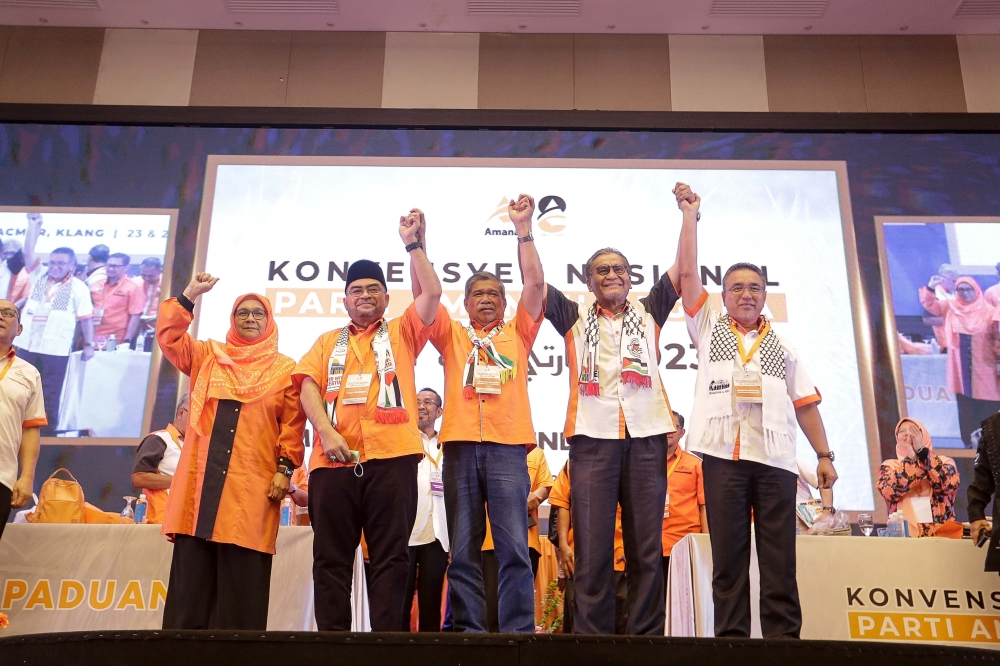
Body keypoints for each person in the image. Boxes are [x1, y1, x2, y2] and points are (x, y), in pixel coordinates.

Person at [675, 181, 838, 639]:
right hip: (722, 459)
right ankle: (732, 647)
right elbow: (688, 275)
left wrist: (824, 456)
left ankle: (783, 647)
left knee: (779, 563)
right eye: (736, 288)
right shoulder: (706, 325)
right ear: (723, 296)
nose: (746, 294)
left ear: (765, 295)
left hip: (775, 462)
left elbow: (805, 404)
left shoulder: (783, 345)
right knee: (727, 563)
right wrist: (689, 217)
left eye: (755, 288)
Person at [294, 210, 442, 632]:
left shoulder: (403, 332)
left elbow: (431, 292)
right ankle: (334, 645)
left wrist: (414, 245)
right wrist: (326, 432)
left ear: (386, 299)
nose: (364, 295)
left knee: (392, 557)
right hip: (332, 463)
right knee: (330, 559)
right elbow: (308, 388)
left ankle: (385, 646)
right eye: (356, 290)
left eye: (373, 289)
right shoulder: (326, 342)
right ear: (344, 300)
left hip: (392, 460)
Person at [416, 195, 545, 634]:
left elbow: (535, 284)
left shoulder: (518, 332)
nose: (486, 300)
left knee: (513, 547)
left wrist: (523, 228)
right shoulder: (451, 335)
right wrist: (418, 245)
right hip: (460, 449)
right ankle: (469, 631)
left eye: (494, 294)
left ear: (505, 303)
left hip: (509, 450)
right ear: (466, 302)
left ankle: (517, 633)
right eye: (478, 294)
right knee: (465, 548)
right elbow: (424, 297)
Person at [542, 233, 680, 635]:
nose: (611, 274)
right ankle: (592, 643)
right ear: (588, 282)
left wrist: (689, 217)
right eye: (601, 270)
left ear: (631, 277)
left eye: (619, 268)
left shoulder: (650, 310)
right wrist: (524, 231)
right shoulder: (573, 317)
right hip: (593, 439)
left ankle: (646, 642)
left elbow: (684, 270)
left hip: (646, 437)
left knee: (646, 550)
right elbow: (534, 284)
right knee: (592, 549)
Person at [156, 274, 306, 630]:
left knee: (241, 595)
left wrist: (285, 471)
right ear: (232, 320)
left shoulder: (286, 369)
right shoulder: (208, 356)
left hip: (250, 491)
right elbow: (170, 337)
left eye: (258, 313)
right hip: (200, 490)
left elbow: (293, 426)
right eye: (242, 313)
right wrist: (189, 295)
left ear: (269, 322)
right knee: (190, 600)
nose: (250, 319)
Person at [14, 238, 95, 437]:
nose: (55, 267)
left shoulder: (79, 288)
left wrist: (89, 344)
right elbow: (27, 252)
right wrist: (33, 225)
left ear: (72, 265)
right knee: (19, 390)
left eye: (61, 263)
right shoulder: (39, 277)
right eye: (53, 262)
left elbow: (86, 319)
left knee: (49, 395)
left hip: (55, 350)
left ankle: (46, 436)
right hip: (26, 345)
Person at [919, 276, 1000, 448]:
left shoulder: (990, 311)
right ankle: (970, 445)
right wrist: (931, 287)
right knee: (966, 409)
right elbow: (930, 305)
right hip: (960, 370)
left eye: (968, 289)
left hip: (985, 368)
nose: (965, 293)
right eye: (960, 290)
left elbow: (998, 339)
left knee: (989, 406)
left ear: (976, 290)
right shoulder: (951, 307)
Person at [549, 461, 627, 635]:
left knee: (621, 623)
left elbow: (638, 508)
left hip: (618, 556)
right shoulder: (573, 463)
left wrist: (632, 546)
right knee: (580, 624)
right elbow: (562, 503)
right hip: (578, 557)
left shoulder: (625, 460)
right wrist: (563, 545)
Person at [482, 442, 553, 632]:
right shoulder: (485, 451)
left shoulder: (536, 453)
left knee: (520, 604)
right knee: (491, 607)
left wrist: (530, 498)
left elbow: (546, 486)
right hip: (489, 543)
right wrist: (511, 495)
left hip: (527, 541)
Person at [402, 387, 449, 632]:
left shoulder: (448, 445)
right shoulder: (403, 440)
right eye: (417, 401)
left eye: (428, 402)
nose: (421, 405)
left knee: (431, 605)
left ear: (439, 411)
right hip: (406, 532)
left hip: (437, 535)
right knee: (401, 602)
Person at [0, 300, 46, 541]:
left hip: (2, 477)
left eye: (8, 313)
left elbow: (30, 431)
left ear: (19, 329)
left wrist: (26, 477)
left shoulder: (29, 373)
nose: (0, 316)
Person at [877, 418, 961, 537]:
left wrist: (922, 454)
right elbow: (889, 492)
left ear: (924, 435)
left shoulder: (944, 462)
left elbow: (946, 485)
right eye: (901, 431)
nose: (907, 433)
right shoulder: (890, 466)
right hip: (904, 538)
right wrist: (911, 460)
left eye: (913, 430)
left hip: (941, 537)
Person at [660, 411, 707, 587]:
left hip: (683, 544)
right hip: (649, 547)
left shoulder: (695, 465)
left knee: (683, 604)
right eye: (665, 426)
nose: (668, 431)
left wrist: (705, 544)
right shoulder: (643, 464)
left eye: (674, 427)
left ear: (682, 432)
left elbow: (704, 507)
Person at [130, 394, 188, 525]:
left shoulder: (195, 446)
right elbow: (139, 478)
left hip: (188, 523)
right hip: (162, 522)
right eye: (196, 416)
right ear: (180, 413)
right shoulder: (159, 439)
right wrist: (183, 482)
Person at [968, 411, 1000, 574]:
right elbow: (983, 477)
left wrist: (976, 512)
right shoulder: (993, 427)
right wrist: (976, 513)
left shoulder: (993, 425)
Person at [93, 253, 146, 348]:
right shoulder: (97, 284)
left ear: (126, 267)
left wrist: (127, 340)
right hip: (93, 337)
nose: (110, 269)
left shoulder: (133, 287)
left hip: (115, 339)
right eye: (108, 265)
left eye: (115, 266)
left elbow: (135, 316)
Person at [921, 264, 959, 350]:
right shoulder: (933, 294)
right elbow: (927, 319)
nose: (955, 284)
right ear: (942, 279)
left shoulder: (955, 294)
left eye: (956, 280)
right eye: (953, 281)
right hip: (944, 342)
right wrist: (954, 320)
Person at [134, 257, 164, 337]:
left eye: (151, 276)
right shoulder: (135, 283)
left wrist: (153, 318)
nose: (146, 278)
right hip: (137, 330)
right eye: (143, 275)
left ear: (160, 271)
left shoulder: (167, 285)